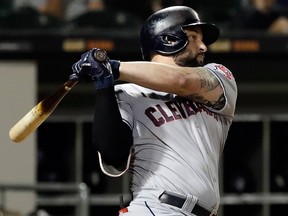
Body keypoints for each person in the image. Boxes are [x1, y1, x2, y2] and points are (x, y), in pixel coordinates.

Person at [70, 5, 237, 216]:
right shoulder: (127, 93)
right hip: (155, 208)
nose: (204, 46)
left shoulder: (219, 77)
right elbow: (112, 154)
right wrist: (104, 86)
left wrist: (112, 67)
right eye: (194, 37)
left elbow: (182, 80)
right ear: (169, 39)